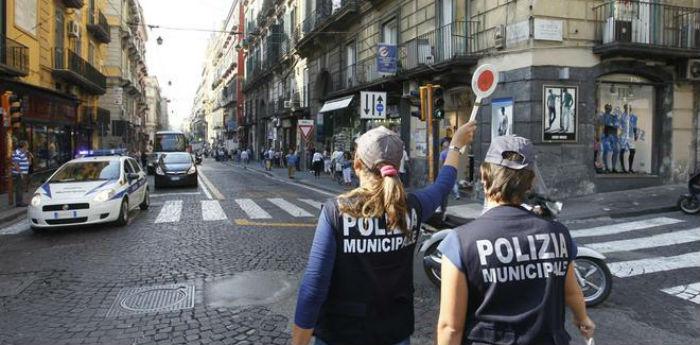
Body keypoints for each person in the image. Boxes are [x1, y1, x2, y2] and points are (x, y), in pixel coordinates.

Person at [292, 122, 477, 345]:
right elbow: (444, 184)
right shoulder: (413, 207)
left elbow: (313, 289)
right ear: (398, 166)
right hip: (394, 333)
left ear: (357, 164)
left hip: (341, 334)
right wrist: (456, 144)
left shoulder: (337, 211)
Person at [435, 135, 595, 345]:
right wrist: (583, 318)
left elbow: (450, 327)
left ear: (484, 177)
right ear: (529, 185)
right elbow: (572, 292)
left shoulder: (460, 241)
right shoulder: (558, 234)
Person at [439, 142, 461, 215]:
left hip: (446, 169)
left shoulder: (442, 153)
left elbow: (441, 162)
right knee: (454, 182)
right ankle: (457, 194)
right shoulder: (452, 152)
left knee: (445, 183)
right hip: (453, 168)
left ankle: (445, 195)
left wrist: (441, 169)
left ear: (443, 147)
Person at [12, 141, 30, 207]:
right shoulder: (17, 153)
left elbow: (28, 163)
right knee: (19, 188)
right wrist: (21, 173)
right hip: (19, 173)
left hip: (23, 173)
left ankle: (20, 201)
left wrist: (29, 156)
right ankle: (19, 202)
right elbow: (16, 164)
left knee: (21, 187)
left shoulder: (23, 153)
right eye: (27, 145)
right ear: (24, 146)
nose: (28, 147)